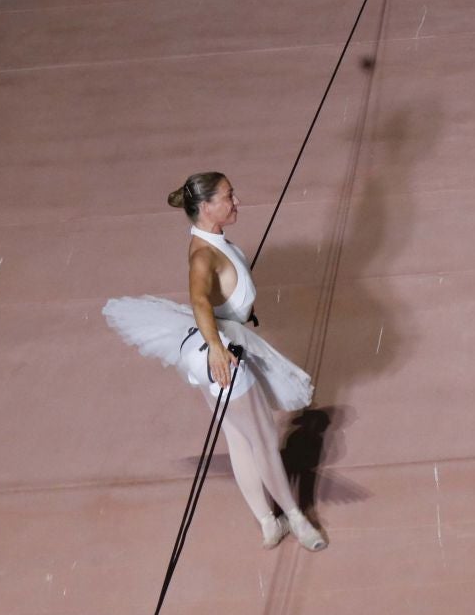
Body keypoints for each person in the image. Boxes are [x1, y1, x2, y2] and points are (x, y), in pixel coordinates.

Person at [103, 172, 327, 550]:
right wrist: (218, 347)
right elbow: (199, 300)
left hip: (203, 349)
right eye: (229, 196)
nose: (236, 201)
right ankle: (296, 519)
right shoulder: (204, 254)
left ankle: (267, 523)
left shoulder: (208, 240)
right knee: (263, 441)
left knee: (239, 438)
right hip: (216, 350)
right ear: (207, 207)